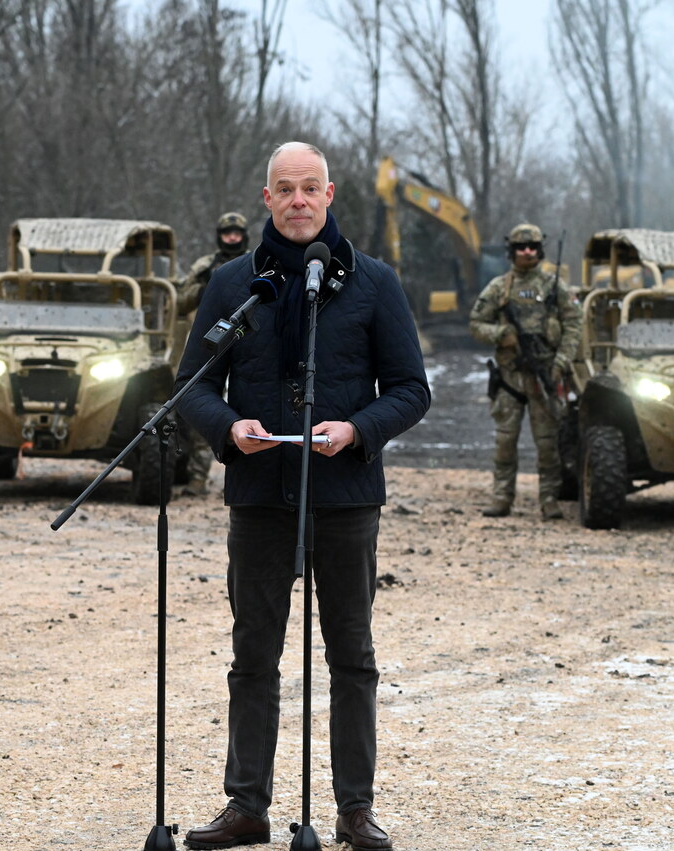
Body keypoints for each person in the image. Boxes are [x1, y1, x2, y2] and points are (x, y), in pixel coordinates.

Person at [175, 142, 430, 851]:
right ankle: (247, 805)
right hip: (259, 492)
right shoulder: (233, 284)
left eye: (309, 188)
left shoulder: (374, 283)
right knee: (254, 653)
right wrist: (231, 428)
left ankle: (354, 809)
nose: (297, 200)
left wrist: (356, 428)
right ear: (266, 199)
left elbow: (412, 389)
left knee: (352, 655)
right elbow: (192, 384)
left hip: (345, 496)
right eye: (284, 188)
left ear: (330, 194)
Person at [468, 223, 582, 521]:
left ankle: (549, 499)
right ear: (512, 251)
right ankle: (502, 497)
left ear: (541, 249)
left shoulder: (554, 286)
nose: (527, 252)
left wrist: (560, 362)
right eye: (521, 247)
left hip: (544, 375)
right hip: (510, 378)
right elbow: (476, 323)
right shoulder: (499, 288)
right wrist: (501, 334)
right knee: (505, 441)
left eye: (532, 246)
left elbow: (574, 326)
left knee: (548, 443)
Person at [176, 211, 252, 497]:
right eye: (226, 233)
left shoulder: (259, 263)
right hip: (209, 345)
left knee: (248, 412)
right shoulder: (205, 266)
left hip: (248, 345)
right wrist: (204, 289)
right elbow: (180, 301)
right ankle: (197, 478)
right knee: (202, 410)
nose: (231, 238)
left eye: (236, 233)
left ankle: (243, 476)